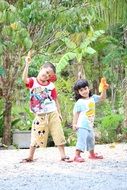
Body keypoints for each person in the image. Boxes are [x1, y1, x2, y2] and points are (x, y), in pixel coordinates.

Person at [21, 53, 72, 163]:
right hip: (40, 115)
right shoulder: (33, 82)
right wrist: (27, 64)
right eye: (46, 72)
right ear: (41, 69)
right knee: (35, 135)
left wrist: (59, 113)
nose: (47, 75)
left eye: (49, 75)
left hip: (52, 112)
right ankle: (30, 156)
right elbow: (24, 79)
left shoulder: (51, 86)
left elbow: (55, 99)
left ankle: (63, 155)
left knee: (58, 132)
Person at [72, 78, 109, 162]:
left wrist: (104, 89)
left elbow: (102, 98)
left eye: (85, 88)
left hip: (90, 125)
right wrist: (74, 124)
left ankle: (92, 154)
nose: (84, 91)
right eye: (81, 90)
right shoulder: (79, 102)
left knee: (91, 140)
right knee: (82, 139)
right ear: (78, 92)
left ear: (88, 88)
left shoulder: (93, 98)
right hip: (81, 125)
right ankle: (77, 155)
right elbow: (76, 113)